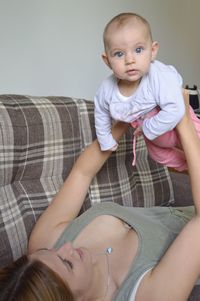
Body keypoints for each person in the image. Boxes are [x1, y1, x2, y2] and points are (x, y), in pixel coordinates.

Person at [1, 93, 200, 301]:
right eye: (67, 263)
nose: (67, 247)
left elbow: (82, 174)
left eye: (51, 251)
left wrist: (123, 120)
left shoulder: (44, 246)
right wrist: (183, 121)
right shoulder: (146, 295)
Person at [94, 12, 200, 170]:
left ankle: (195, 163)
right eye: (119, 53)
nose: (130, 60)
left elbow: (175, 110)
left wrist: (147, 127)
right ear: (107, 60)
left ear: (153, 50)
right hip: (155, 139)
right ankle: (186, 165)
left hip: (176, 124)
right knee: (159, 156)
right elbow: (101, 113)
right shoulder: (106, 90)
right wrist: (106, 140)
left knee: (196, 145)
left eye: (138, 50)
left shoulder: (159, 75)